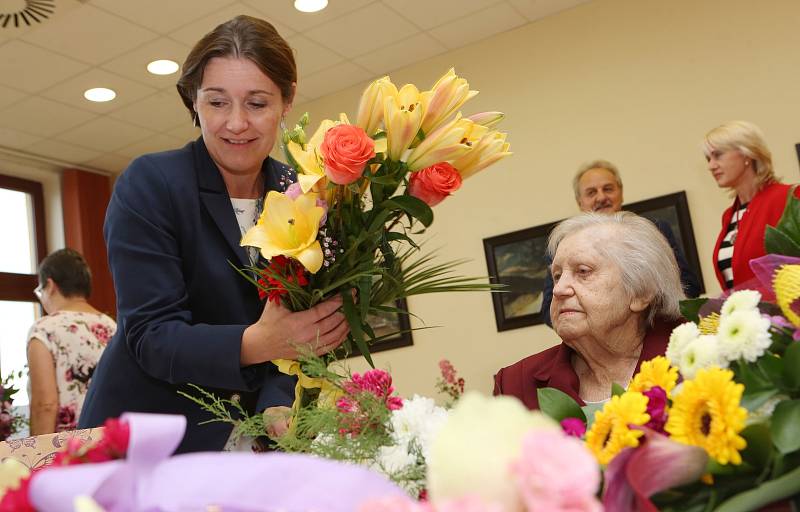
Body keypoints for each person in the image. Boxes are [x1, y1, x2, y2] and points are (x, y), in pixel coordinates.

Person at [79, 15, 349, 453]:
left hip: (249, 444)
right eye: (217, 103)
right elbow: (152, 336)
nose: (236, 123)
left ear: (287, 100)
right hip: (147, 445)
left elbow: (298, 328)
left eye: (257, 103)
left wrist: (278, 399)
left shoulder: (302, 194)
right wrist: (258, 343)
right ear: (194, 102)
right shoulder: (152, 184)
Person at [494, 212, 684, 410]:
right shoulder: (516, 386)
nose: (558, 290)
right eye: (557, 276)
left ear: (641, 293)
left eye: (583, 271)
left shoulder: (702, 358)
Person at [540, 160, 701, 326]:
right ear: (580, 202)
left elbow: (688, 286)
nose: (601, 197)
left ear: (621, 192)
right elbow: (548, 310)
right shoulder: (563, 245)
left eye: (608, 189)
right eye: (591, 192)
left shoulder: (655, 231)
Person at [27, 248, 116, 435]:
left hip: (67, 449)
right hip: (108, 441)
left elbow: (45, 404)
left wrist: (37, 460)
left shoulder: (45, 329)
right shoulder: (111, 326)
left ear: (50, 285)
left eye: (40, 290)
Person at [705, 120, 799, 291]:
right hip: (745, 315)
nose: (711, 165)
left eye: (718, 155)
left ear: (747, 154)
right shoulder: (729, 216)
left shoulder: (789, 197)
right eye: (708, 158)